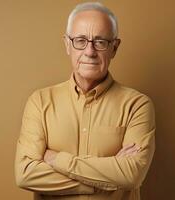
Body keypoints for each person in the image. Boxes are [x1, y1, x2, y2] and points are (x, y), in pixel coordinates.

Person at [14, 2, 155, 200]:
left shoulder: (137, 105)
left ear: (114, 48)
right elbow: (25, 175)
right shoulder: (40, 102)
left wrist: (56, 159)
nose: (89, 51)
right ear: (67, 45)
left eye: (100, 42)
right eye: (80, 40)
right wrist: (109, 180)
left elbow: (132, 175)